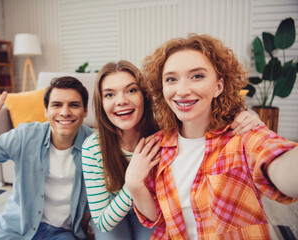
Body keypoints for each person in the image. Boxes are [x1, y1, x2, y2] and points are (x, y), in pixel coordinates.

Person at [125, 34, 298, 239]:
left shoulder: (242, 137)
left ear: (219, 86)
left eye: (197, 76)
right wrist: (134, 184)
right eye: (171, 79)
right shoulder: (156, 147)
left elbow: (280, 163)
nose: (182, 90)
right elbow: (158, 218)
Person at [82, 60, 265, 239]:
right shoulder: (92, 148)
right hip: (112, 216)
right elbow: (102, 221)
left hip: (150, 210)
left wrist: (245, 117)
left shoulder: (164, 134)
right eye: (109, 95)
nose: (121, 101)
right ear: (101, 103)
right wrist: (133, 182)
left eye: (131, 90)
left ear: (144, 95)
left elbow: (206, 121)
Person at [0, 77, 94, 240]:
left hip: (62, 233)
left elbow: (90, 201)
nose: (65, 112)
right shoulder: (25, 135)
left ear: (85, 110)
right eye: (56, 105)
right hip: (16, 227)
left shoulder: (95, 146)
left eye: (74, 104)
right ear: (46, 111)